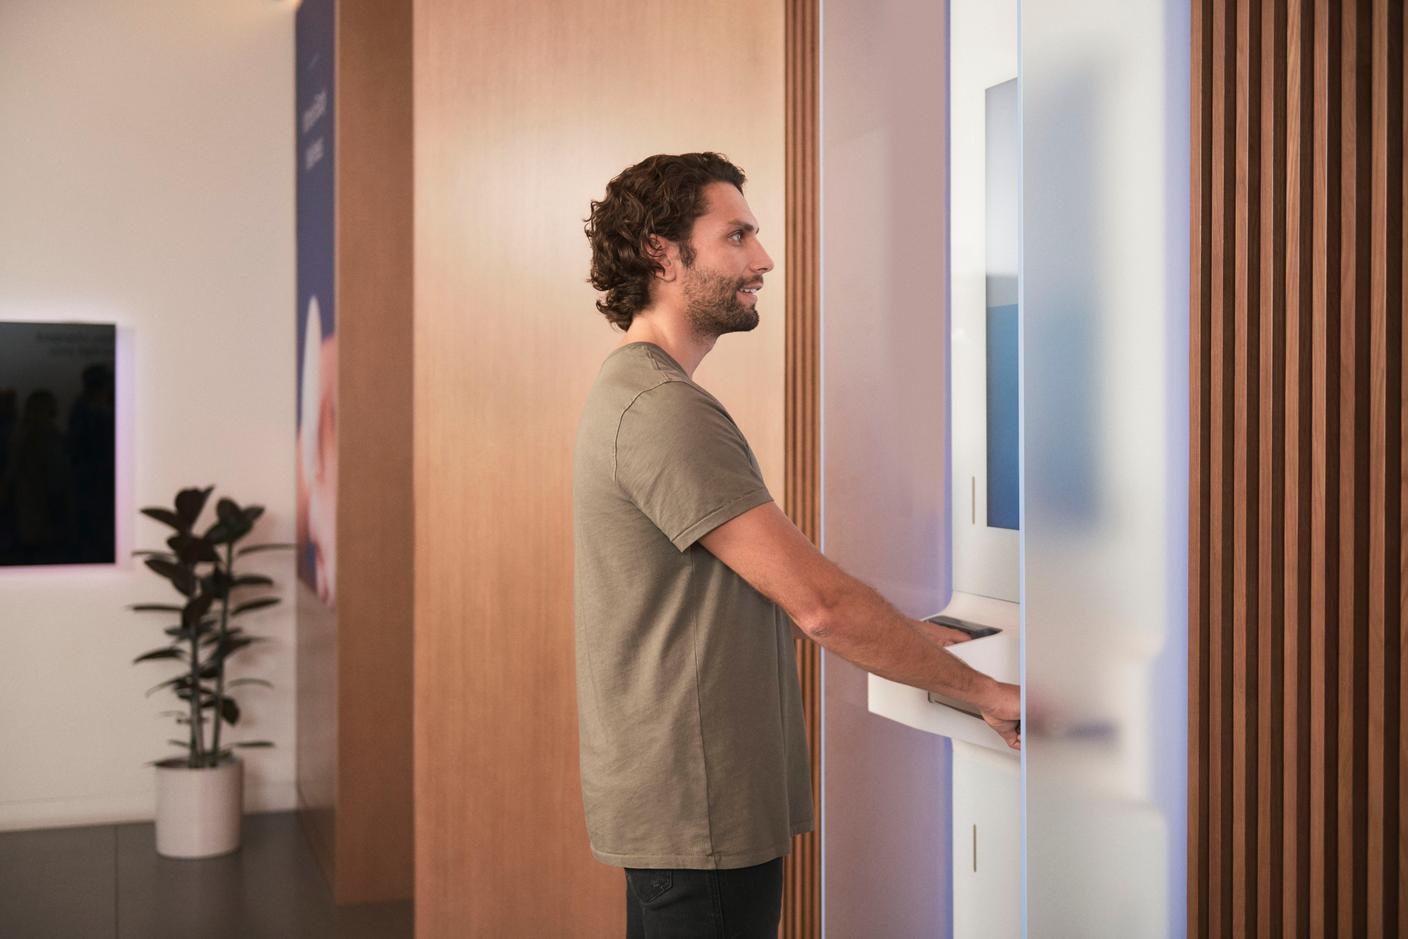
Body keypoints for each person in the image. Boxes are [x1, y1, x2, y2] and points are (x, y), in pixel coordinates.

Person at [574, 152, 1021, 938]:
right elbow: (817, 604)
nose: (763, 258)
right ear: (662, 253)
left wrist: (926, 644)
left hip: (684, 809)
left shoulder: (641, 394)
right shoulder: (662, 410)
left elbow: (758, 593)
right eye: (737, 236)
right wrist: (991, 694)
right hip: (699, 817)